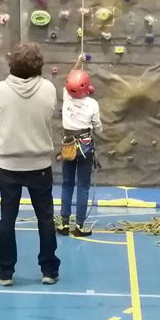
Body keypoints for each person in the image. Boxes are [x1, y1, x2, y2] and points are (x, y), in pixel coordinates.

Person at [0, 42, 61, 286]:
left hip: (9, 166)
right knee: (45, 218)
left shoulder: (0, 90)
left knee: (7, 219)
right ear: (38, 65)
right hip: (39, 165)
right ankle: (49, 269)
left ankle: (5, 271)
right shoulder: (48, 88)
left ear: (12, 63)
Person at [58, 69, 102, 237]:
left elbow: (68, 79)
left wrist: (78, 60)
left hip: (68, 147)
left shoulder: (66, 97)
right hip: (85, 148)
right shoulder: (92, 104)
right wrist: (98, 130)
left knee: (67, 184)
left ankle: (63, 225)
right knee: (83, 186)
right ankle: (80, 226)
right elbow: (98, 127)